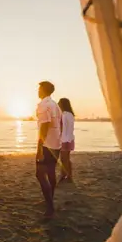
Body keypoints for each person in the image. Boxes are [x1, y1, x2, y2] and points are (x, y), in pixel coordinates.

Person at [35, 81, 62, 218]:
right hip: (56, 143)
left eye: (39, 89)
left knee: (40, 174)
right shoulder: (55, 105)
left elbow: (44, 126)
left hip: (46, 145)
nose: (37, 91)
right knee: (51, 172)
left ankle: (50, 208)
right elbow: (60, 123)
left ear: (44, 90)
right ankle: (50, 199)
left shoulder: (43, 105)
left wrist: (39, 147)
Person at [58, 98, 76, 183]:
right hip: (70, 138)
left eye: (59, 103)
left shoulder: (63, 115)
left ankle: (64, 175)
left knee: (63, 159)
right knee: (67, 158)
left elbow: (62, 128)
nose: (58, 104)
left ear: (62, 104)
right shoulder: (71, 114)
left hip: (64, 139)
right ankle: (69, 175)